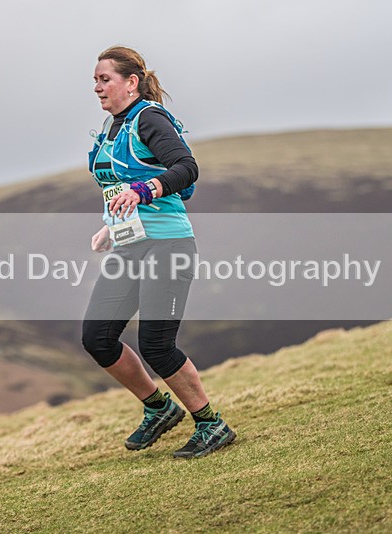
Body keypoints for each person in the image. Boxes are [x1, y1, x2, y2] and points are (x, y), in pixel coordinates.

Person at [81, 46, 235, 458]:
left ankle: (211, 425)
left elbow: (186, 168)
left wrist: (141, 191)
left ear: (131, 82)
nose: (97, 87)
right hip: (131, 245)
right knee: (97, 337)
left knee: (156, 344)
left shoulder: (149, 118)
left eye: (105, 79)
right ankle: (158, 408)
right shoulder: (113, 126)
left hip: (168, 244)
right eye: (95, 80)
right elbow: (122, 184)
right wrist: (111, 226)